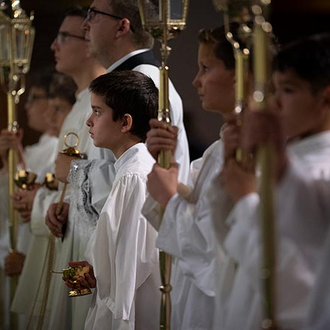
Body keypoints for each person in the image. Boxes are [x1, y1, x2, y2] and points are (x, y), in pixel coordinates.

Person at [219, 33, 330, 330]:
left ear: (326, 97)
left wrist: (245, 202)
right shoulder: (289, 160)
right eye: (274, 89)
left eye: (289, 90)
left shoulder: (321, 172)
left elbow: (302, 285)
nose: (275, 104)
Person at [11, 7, 107, 330]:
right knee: (59, 315)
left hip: (88, 255)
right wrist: (45, 203)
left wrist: (42, 205)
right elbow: (68, 193)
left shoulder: (98, 105)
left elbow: (100, 194)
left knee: (76, 317)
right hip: (69, 243)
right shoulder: (82, 105)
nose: (54, 45)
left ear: (89, 42)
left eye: (63, 37)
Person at [145, 25, 242, 330]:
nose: (196, 80)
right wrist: (170, 174)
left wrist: (171, 198)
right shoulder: (218, 148)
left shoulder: (250, 153)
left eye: (206, 68)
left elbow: (217, 250)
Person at [67, 70, 160, 329]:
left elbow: (129, 273)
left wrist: (100, 275)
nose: (88, 121)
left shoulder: (134, 177)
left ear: (125, 123)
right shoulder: (129, 171)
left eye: (97, 111)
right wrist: (94, 272)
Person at [0, 69, 60, 330]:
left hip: (50, 271)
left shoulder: (62, 152)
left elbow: (54, 213)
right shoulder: (41, 150)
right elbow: (14, 207)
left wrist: (34, 267)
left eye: (34, 97)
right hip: (26, 260)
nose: (28, 106)